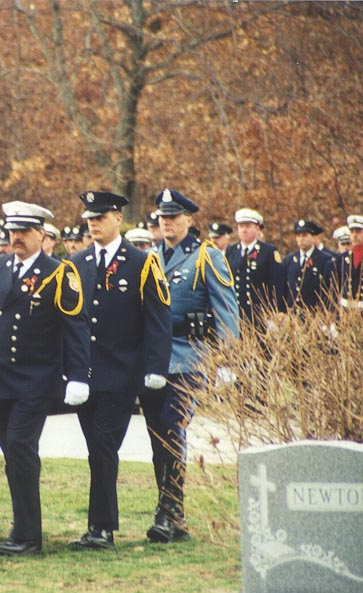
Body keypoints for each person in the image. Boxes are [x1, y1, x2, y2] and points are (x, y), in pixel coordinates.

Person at [0, 200, 90, 556]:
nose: (17, 237)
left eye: (24, 231)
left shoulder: (58, 272)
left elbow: (75, 326)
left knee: (22, 450)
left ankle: (28, 535)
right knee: (13, 454)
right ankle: (22, 528)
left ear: (42, 234)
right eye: (12, 231)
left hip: (35, 379)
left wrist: (78, 376)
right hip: (0, 380)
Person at [68, 191, 171, 549]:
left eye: (100, 217)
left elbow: (158, 320)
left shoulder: (141, 262)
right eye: (89, 219)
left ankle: (102, 528)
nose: (93, 224)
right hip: (85, 376)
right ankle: (99, 526)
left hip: (122, 374)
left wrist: (155, 368)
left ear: (117, 219)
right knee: (94, 449)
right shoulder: (77, 262)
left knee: (103, 446)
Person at [147, 188, 239, 543]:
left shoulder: (206, 256)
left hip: (190, 358)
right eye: (162, 217)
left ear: (188, 219)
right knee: (157, 436)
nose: (166, 223)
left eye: (173, 217)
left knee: (173, 429)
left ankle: (168, 513)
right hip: (155, 361)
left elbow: (227, 311)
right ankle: (174, 514)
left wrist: (228, 360)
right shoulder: (152, 257)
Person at [225, 208, 285, 325]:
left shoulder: (268, 251)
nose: (244, 230)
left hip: (259, 314)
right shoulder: (231, 251)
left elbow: (277, 284)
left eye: (248, 226)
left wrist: (276, 311)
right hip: (235, 313)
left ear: (257, 228)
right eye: (241, 226)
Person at [282, 220, 335, 311]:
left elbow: (329, 290)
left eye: (305, 235)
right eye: (298, 236)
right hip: (292, 316)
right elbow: (284, 289)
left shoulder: (325, 260)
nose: (301, 239)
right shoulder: (289, 260)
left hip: (315, 315)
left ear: (313, 237)